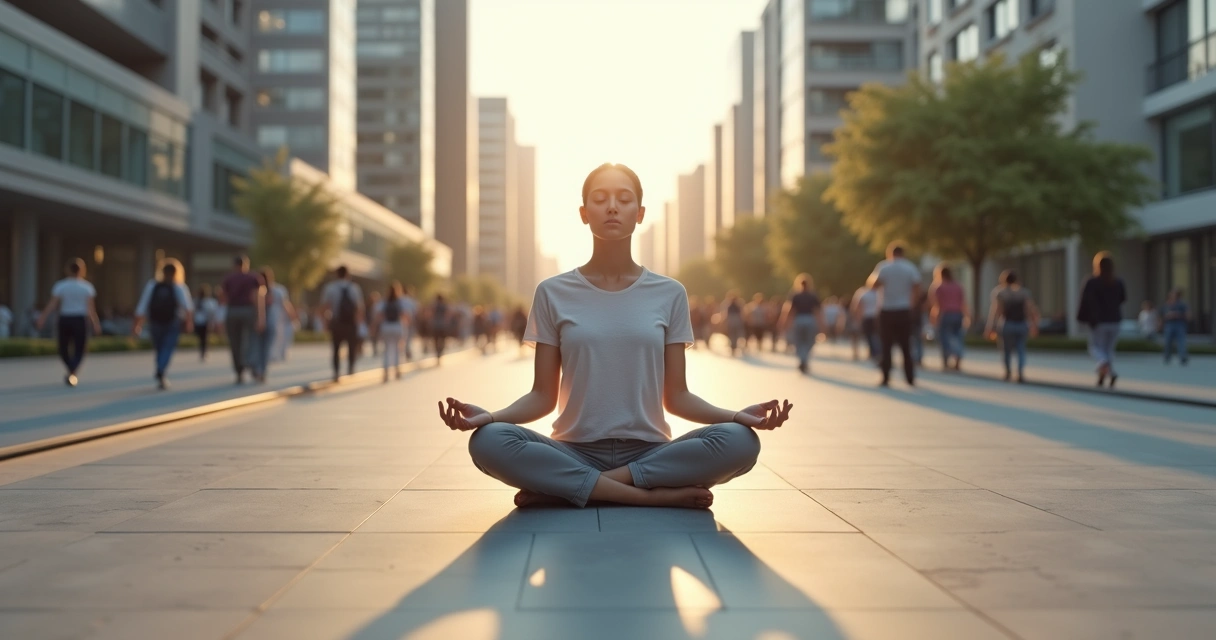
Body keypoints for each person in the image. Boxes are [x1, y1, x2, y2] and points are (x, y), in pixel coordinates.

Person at [441, 163, 792, 510]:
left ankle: (571, 488)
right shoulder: (552, 292)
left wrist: (735, 417)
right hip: (572, 450)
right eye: (600, 199)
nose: (612, 207)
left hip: (650, 450)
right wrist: (488, 417)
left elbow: (678, 397)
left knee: (740, 442)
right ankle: (648, 497)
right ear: (583, 213)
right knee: (487, 441)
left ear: (639, 214)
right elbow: (541, 396)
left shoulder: (670, 293)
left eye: (624, 199)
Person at [37, 258, 102, 387]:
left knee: (63, 348)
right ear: (82, 270)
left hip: (65, 319)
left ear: (67, 270)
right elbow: (91, 309)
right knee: (79, 348)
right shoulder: (87, 287)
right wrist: (95, 323)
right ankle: (73, 369)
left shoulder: (61, 286)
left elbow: (52, 304)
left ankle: (71, 369)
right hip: (80, 320)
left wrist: (42, 318)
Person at [133, 259, 194, 390]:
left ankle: (160, 368)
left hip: (155, 321)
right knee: (168, 347)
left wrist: (137, 324)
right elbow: (187, 307)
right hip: (172, 321)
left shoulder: (152, 285)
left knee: (159, 347)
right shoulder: (179, 287)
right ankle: (161, 368)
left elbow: (142, 306)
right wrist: (189, 322)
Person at [868, 243, 922, 387]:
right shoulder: (910, 267)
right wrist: (912, 304)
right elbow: (917, 287)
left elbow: (873, 285)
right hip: (904, 310)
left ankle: (885, 377)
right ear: (903, 254)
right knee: (906, 346)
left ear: (890, 253)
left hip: (887, 310)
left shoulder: (884, 267)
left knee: (886, 345)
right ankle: (910, 378)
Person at [1077, 252, 1127, 388]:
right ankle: (1104, 376)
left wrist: (1082, 316)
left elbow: (1084, 301)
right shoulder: (1117, 282)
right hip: (1115, 321)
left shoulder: (1092, 282)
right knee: (1108, 350)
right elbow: (1123, 299)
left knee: (1095, 348)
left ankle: (1105, 366)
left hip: (1098, 321)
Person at [985, 270, 1040, 383]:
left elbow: (996, 311)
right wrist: (1034, 325)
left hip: (1007, 323)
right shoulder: (1024, 292)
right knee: (1021, 349)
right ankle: (1020, 371)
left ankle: (1008, 371)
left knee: (1006, 350)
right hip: (1021, 324)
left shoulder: (1000, 293)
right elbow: (1029, 310)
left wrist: (991, 326)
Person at [219, 255, 266, 384]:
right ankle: (254, 367)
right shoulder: (254, 278)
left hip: (232, 311)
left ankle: (239, 371)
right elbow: (258, 298)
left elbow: (223, 298)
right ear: (246, 264)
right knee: (252, 340)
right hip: (248, 311)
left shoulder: (228, 279)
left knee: (235, 343)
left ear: (234, 265)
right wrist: (261, 317)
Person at [319, 265, 364, 381]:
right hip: (351, 323)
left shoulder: (330, 288)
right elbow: (359, 308)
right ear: (348, 275)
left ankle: (336, 372)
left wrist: (325, 322)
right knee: (351, 347)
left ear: (336, 274)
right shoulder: (355, 288)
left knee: (336, 348)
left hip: (337, 322)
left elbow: (325, 307)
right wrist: (359, 323)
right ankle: (351, 368)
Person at [777, 274, 827, 375]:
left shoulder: (795, 295)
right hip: (810, 320)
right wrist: (822, 326)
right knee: (809, 342)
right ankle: (804, 358)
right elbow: (818, 312)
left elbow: (789, 311)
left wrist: (784, 323)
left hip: (799, 320)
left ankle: (802, 358)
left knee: (798, 342)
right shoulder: (813, 296)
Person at [928, 264, 969, 371]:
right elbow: (963, 303)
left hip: (945, 315)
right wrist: (967, 316)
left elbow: (936, 305)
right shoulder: (958, 286)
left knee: (944, 339)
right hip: (957, 314)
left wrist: (933, 318)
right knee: (957, 337)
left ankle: (946, 362)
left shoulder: (938, 287)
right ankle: (957, 361)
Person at [372, 281, 411, 382]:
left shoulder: (384, 302)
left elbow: (379, 315)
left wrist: (374, 326)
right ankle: (397, 370)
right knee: (397, 350)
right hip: (397, 327)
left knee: (386, 350)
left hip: (386, 327)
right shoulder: (400, 301)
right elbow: (405, 315)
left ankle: (385, 373)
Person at [260, 267, 298, 368]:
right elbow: (286, 305)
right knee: (275, 337)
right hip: (274, 318)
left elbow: (285, 305)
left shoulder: (276, 290)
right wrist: (292, 316)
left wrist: (291, 316)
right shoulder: (276, 290)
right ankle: (271, 355)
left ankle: (269, 355)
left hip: (272, 317)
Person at [851, 284, 879, 362]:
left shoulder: (862, 293)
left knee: (869, 336)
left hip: (867, 317)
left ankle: (873, 352)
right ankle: (874, 352)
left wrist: (858, 319)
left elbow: (858, 307)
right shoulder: (879, 292)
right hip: (877, 317)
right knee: (875, 335)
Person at [1161, 288, 1190, 365]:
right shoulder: (1167, 304)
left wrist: (1177, 314)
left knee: (1181, 341)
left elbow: (1188, 315)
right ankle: (1167, 356)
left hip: (1179, 324)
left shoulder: (1182, 304)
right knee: (1167, 342)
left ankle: (1183, 357)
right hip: (1169, 324)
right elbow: (1162, 314)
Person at [193, 284, 219, 362]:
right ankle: (203, 352)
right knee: (204, 338)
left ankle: (203, 352)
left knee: (203, 339)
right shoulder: (207, 301)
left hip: (201, 322)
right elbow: (212, 313)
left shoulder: (198, 301)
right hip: (203, 322)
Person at [722, 292, 746, 356]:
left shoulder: (730, 305)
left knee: (734, 336)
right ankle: (734, 347)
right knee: (735, 336)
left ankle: (734, 348)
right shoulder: (735, 305)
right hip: (735, 323)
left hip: (733, 323)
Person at [430, 293, 451, 362]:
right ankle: (440, 351)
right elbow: (447, 315)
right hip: (442, 325)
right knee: (443, 340)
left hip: (435, 325)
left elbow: (431, 314)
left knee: (435, 340)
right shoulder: (444, 305)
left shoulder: (434, 306)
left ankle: (437, 352)